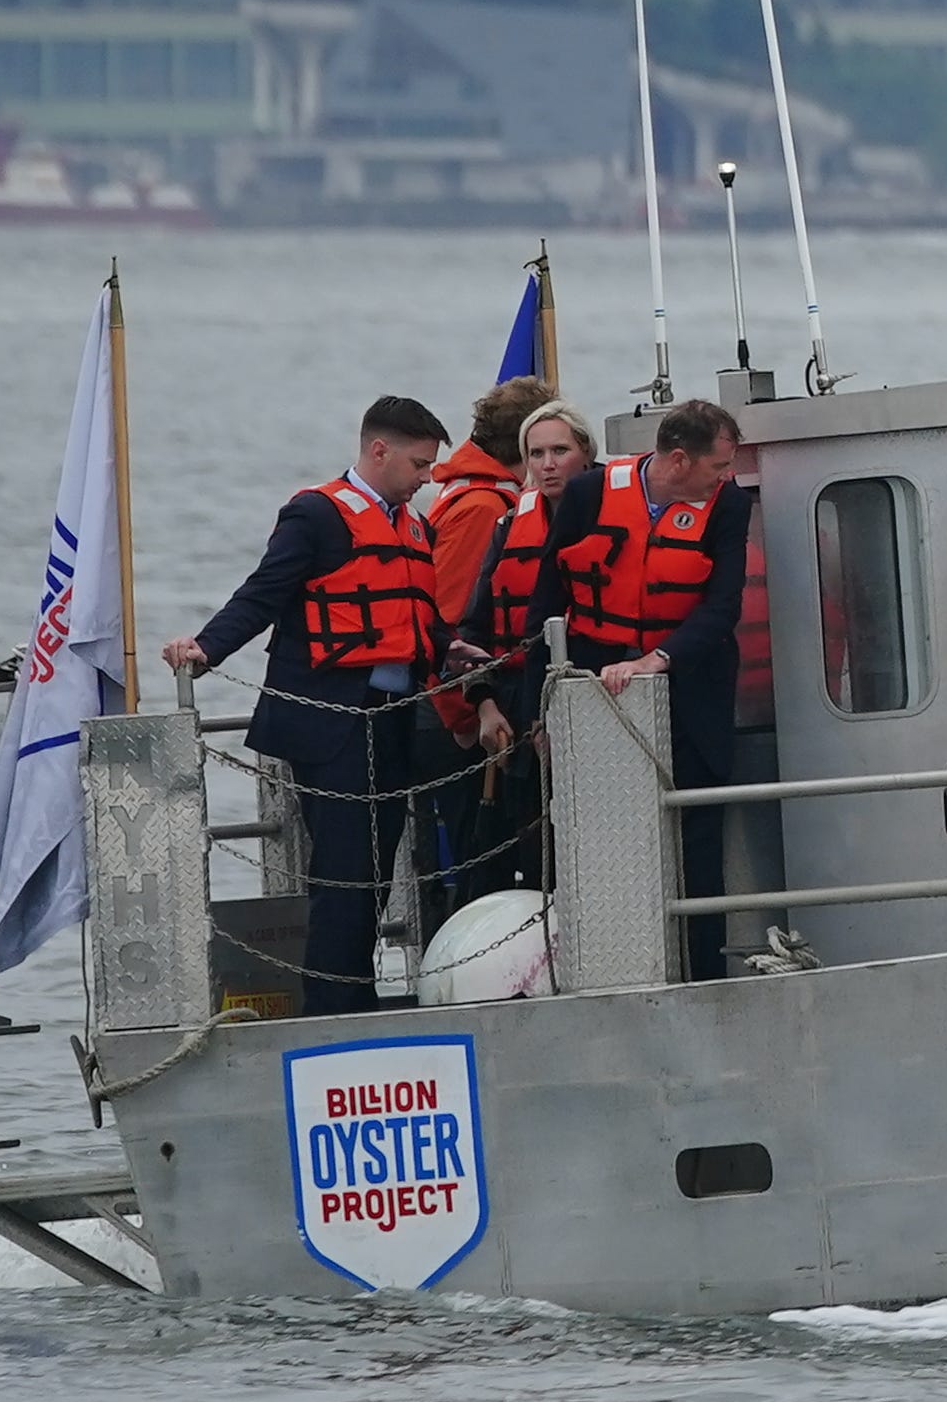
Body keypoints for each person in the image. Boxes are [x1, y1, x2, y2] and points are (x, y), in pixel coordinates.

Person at [166, 395, 452, 1012]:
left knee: (377, 871)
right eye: (419, 465)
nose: (426, 479)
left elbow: (417, 617)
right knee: (345, 871)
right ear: (379, 451)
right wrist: (206, 648)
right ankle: (334, 1005)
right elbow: (263, 594)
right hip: (332, 723)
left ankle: (354, 991)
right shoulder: (316, 515)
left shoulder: (413, 526)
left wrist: (456, 652)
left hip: (392, 721)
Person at [557, 403, 761, 978]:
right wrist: (541, 710)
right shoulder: (589, 494)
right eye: (717, 466)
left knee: (699, 837)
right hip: (599, 693)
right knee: (602, 836)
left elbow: (723, 606)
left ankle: (706, 975)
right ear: (678, 459)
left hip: (693, 690)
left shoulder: (729, 506)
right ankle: (606, 971)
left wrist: (659, 659)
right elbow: (551, 598)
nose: (724, 477)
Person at [411, 377, 548, 910]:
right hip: (454, 718)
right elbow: (450, 625)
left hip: (455, 708)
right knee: (476, 858)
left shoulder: (467, 495)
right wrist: (468, 720)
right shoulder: (483, 509)